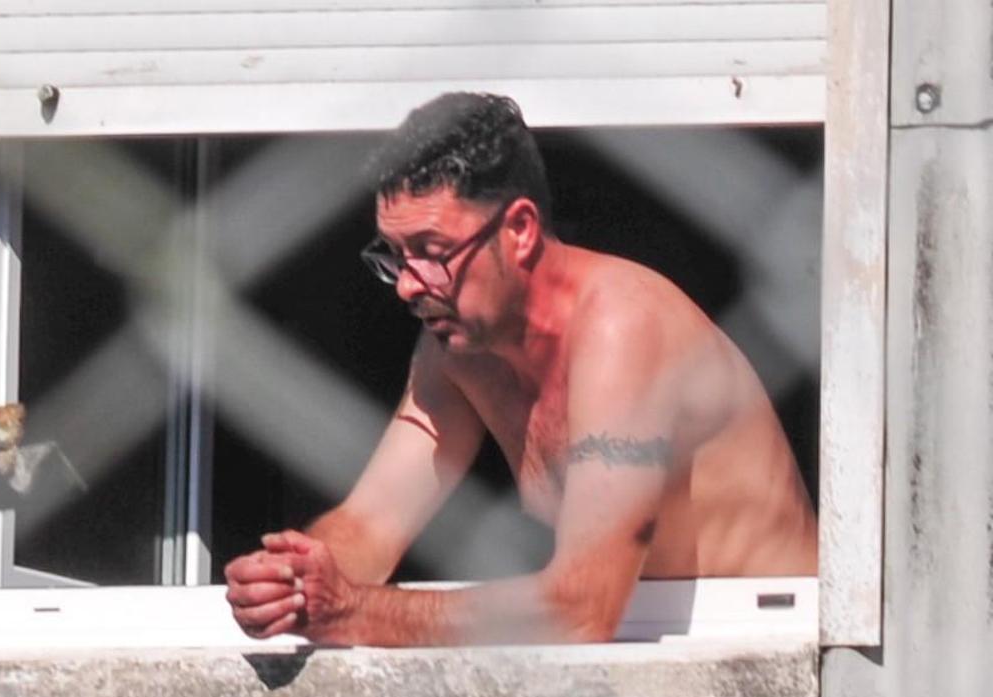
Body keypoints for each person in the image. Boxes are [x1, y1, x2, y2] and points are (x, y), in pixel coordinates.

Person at [224, 92, 817, 646]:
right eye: (395, 256)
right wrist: (292, 578)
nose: (407, 285)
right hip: (634, 659)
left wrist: (355, 611)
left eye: (431, 252)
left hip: (771, 658)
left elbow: (581, 609)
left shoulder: (624, 325)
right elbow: (371, 525)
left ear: (520, 230)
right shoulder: (458, 349)